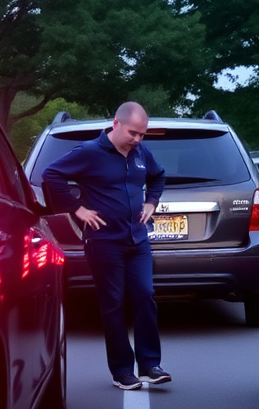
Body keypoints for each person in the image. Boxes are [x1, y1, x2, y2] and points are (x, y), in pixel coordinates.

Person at [43, 102, 172, 390]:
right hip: (104, 242)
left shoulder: (141, 153)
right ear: (116, 124)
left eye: (142, 134)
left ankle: (150, 364)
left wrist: (151, 202)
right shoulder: (90, 152)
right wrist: (77, 209)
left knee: (145, 295)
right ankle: (122, 371)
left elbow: (158, 175)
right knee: (113, 303)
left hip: (137, 239)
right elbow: (52, 175)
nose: (137, 139)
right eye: (133, 133)